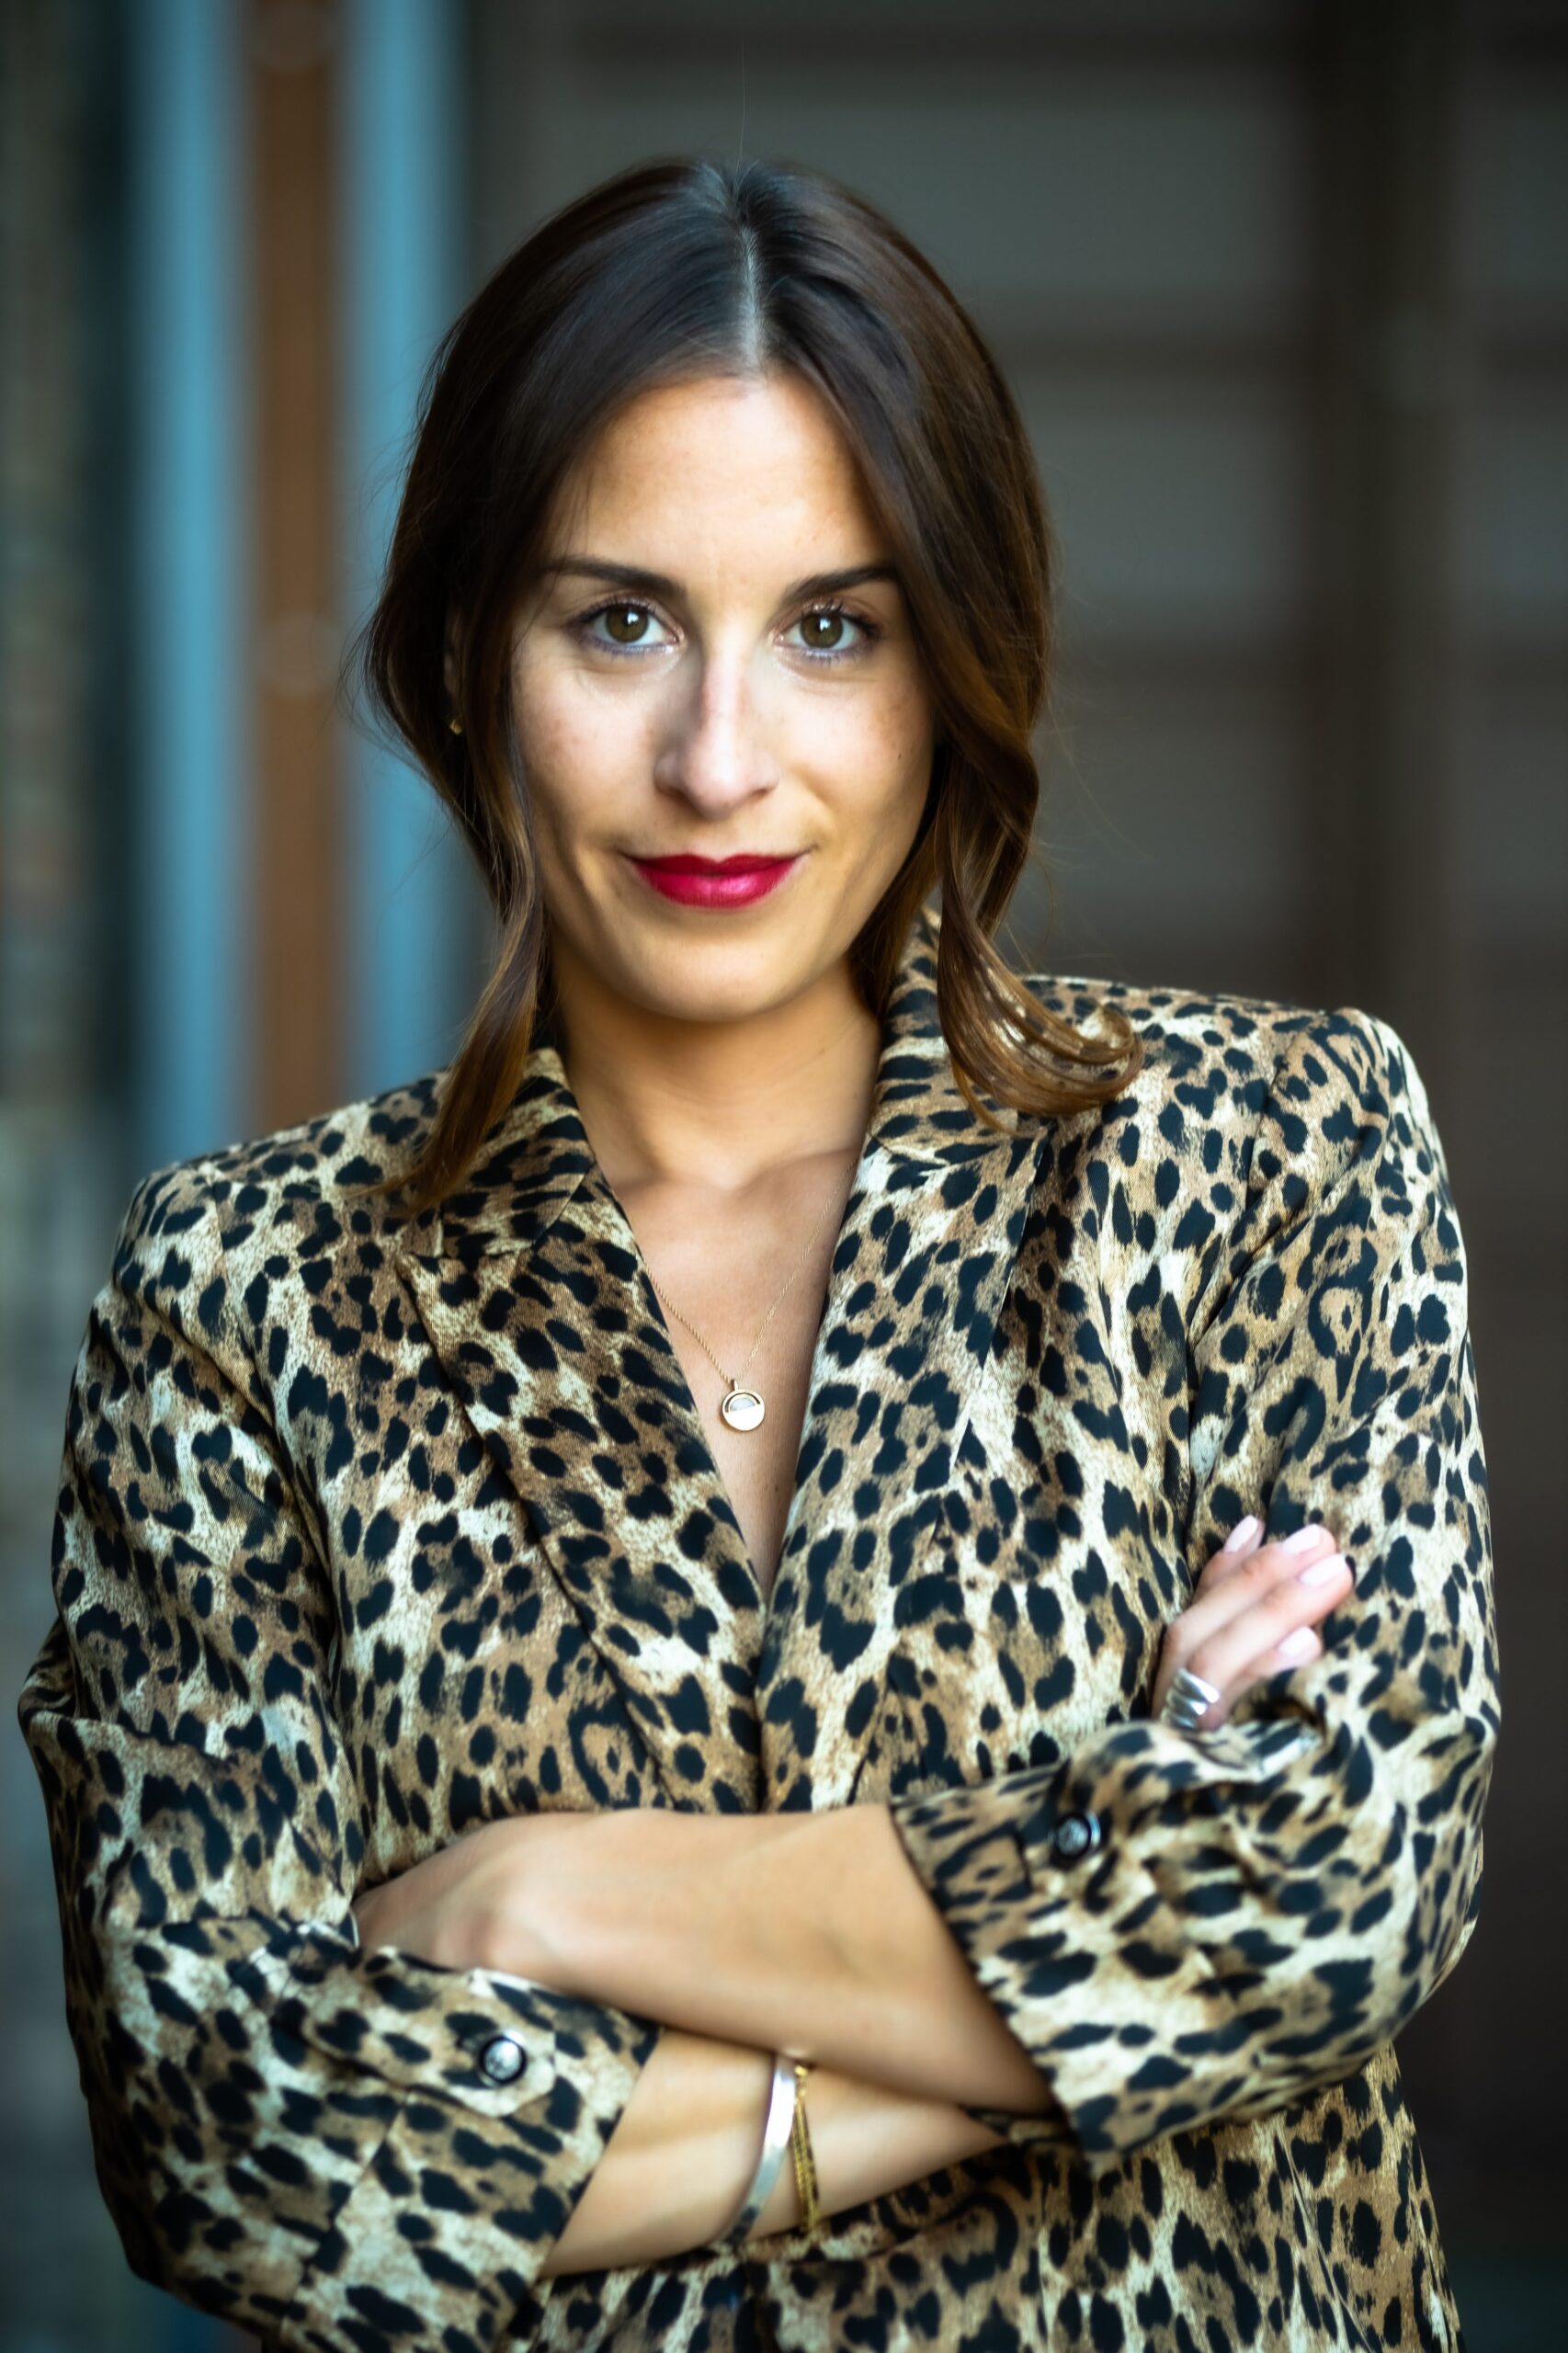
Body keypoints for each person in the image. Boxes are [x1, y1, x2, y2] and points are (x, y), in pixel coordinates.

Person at [18, 158, 1495, 2353]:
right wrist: (1107, 1910)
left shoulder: (1267, 1148)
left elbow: (1339, 1879)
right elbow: (239, 2147)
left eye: (832, 627)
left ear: (951, 666)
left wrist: (554, 1888)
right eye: (618, 622)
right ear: (466, 655)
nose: (719, 759)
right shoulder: (244, 1297)